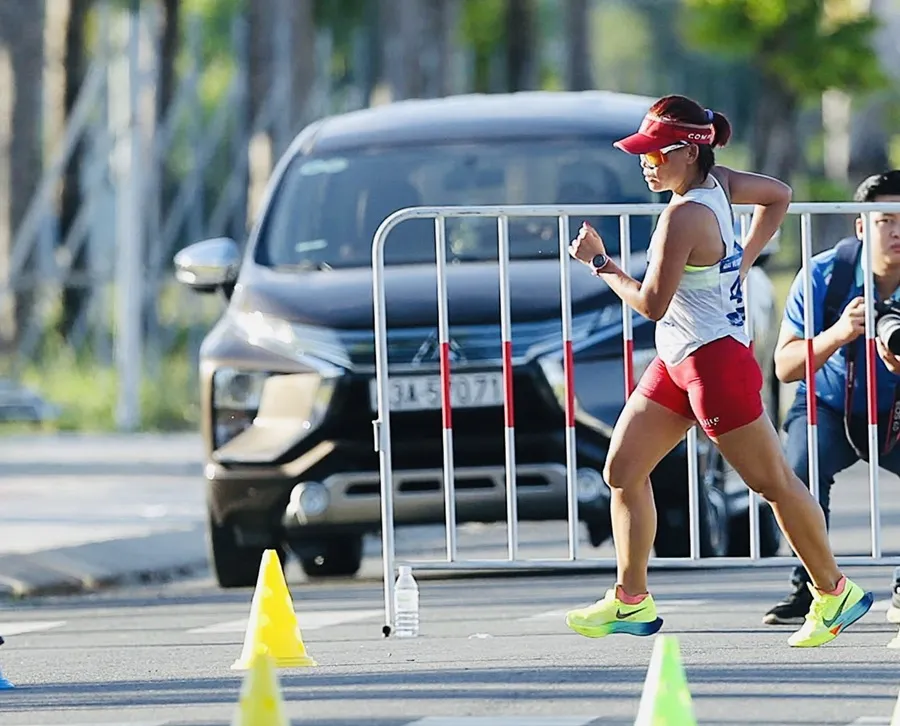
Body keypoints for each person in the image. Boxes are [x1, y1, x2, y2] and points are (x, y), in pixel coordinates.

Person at [564, 94, 874, 648]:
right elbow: (779, 195)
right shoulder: (721, 183)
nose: (646, 162)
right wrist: (743, 258)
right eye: (643, 153)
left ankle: (835, 592)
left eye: (656, 154)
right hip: (681, 357)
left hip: (713, 364)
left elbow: (651, 304)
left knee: (772, 482)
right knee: (622, 470)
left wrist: (599, 262)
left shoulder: (682, 216)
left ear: (688, 151)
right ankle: (631, 599)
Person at [762, 170, 900, 626]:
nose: (897, 231)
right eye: (885, 220)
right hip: (828, 403)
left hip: (896, 408)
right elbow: (784, 367)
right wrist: (838, 334)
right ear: (861, 226)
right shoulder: (824, 274)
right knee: (795, 473)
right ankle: (815, 586)